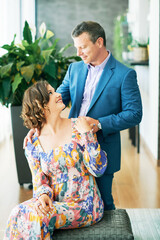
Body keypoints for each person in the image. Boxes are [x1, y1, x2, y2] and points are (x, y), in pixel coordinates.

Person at [24, 21, 142, 210]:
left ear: (100, 42)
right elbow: (53, 100)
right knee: (65, 204)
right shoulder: (75, 69)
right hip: (70, 150)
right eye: (76, 47)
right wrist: (38, 126)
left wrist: (99, 123)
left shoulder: (124, 74)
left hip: (101, 148)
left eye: (83, 47)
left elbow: (134, 114)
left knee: (104, 202)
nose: (78, 53)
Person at [4, 80, 107, 240]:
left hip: (85, 205)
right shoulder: (33, 144)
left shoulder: (79, 126)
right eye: (51, 93)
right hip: (56, 204)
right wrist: (43, 196)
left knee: (38, 217)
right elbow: (39, 181)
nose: (59, 94)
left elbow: (98, 169)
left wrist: (88, 135)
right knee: (17, 213)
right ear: (40, 104)